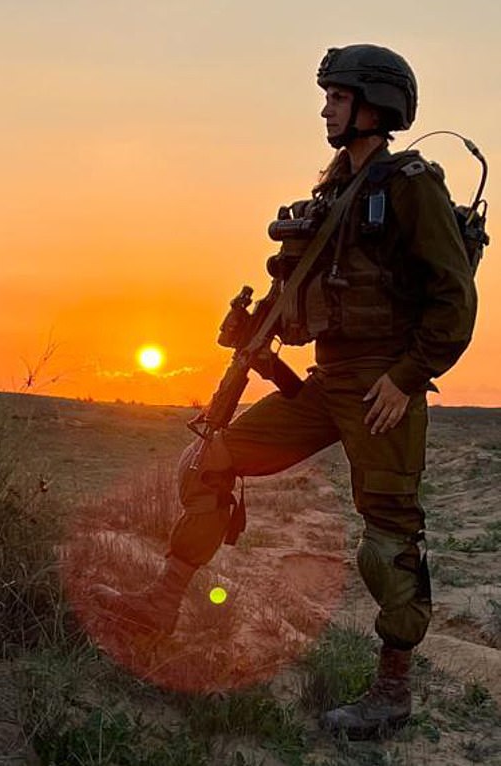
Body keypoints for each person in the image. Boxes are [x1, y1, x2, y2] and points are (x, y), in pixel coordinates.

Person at [91, 44, 477, 740]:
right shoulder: (334, 191)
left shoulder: (411, 185)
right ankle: (162, 603)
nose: (325, 107)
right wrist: (259, 325)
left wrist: (406, 377)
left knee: (388, 539)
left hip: (381, 386)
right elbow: (314, 304)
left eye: (337, 95)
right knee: (212, 458)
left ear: (374, 106)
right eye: (327, 95)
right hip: (329, 378)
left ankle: (392, 692)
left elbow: (455, 301)